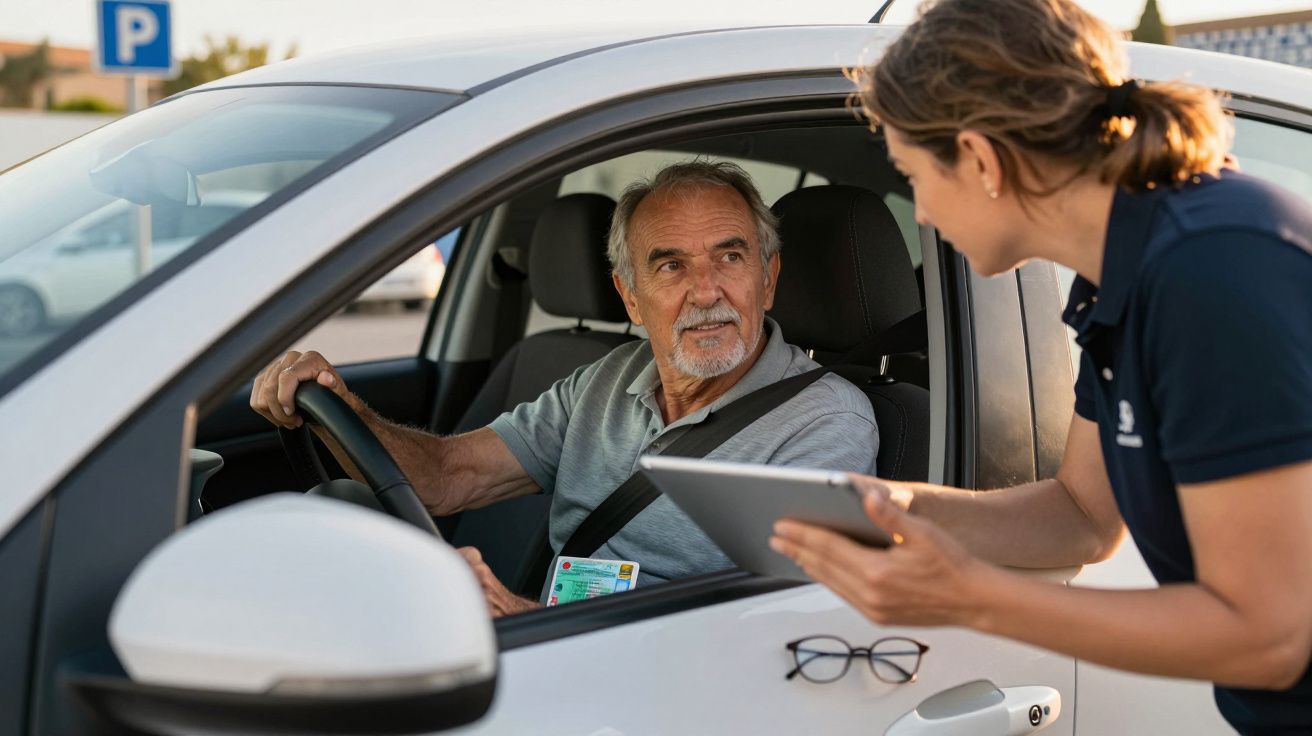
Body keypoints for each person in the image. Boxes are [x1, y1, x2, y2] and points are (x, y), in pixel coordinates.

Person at [769, 1, 1312, 733]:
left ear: (982, 160)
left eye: (913, 175)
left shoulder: (1211, 273)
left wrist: (967, 597)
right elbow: (1081, 515)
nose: (920, 213)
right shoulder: (1120, 278)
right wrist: (892, 508)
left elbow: (1271, 637)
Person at [252, 161, 879, 617]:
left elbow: (777, 638)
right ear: (629, 296)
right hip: (559, 654)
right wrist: (340, 404)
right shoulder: (607, 379)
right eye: (671, 265)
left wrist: (516, 616)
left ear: (769, 278)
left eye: (730, 257)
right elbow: (446, 477)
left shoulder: (826, 423)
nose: (706, 290)